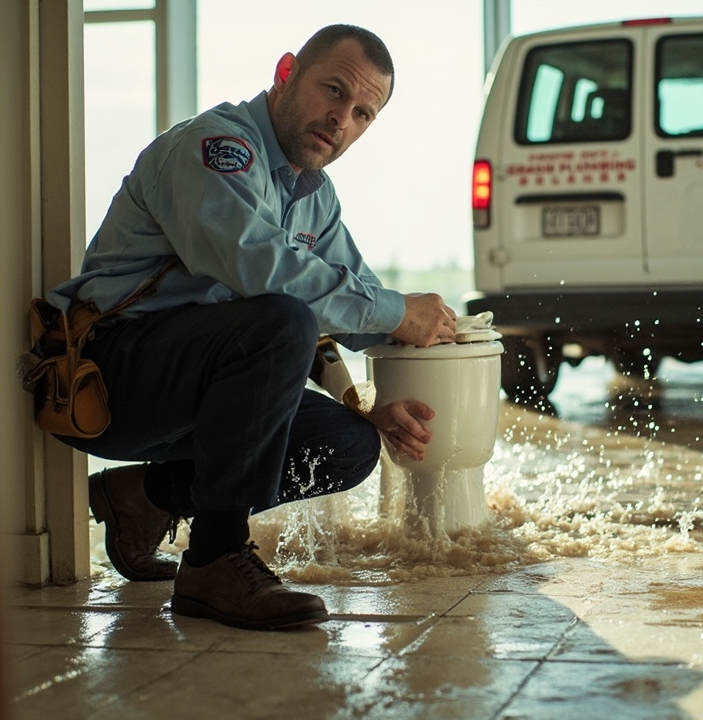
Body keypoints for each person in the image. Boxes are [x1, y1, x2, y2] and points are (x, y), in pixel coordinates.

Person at [46, 24, 458, 631]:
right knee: (281, 315)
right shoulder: (214, 147)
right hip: (111, 375)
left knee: (349, 444)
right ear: (286, 71)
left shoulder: (315, 194)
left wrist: (410, 357)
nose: (342, 117)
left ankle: (144, 498)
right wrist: (398, 312)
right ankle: (214, 558)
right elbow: (265, 274)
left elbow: (357, 305)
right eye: (333, 90)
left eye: (363, 112)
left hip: (197, 389)